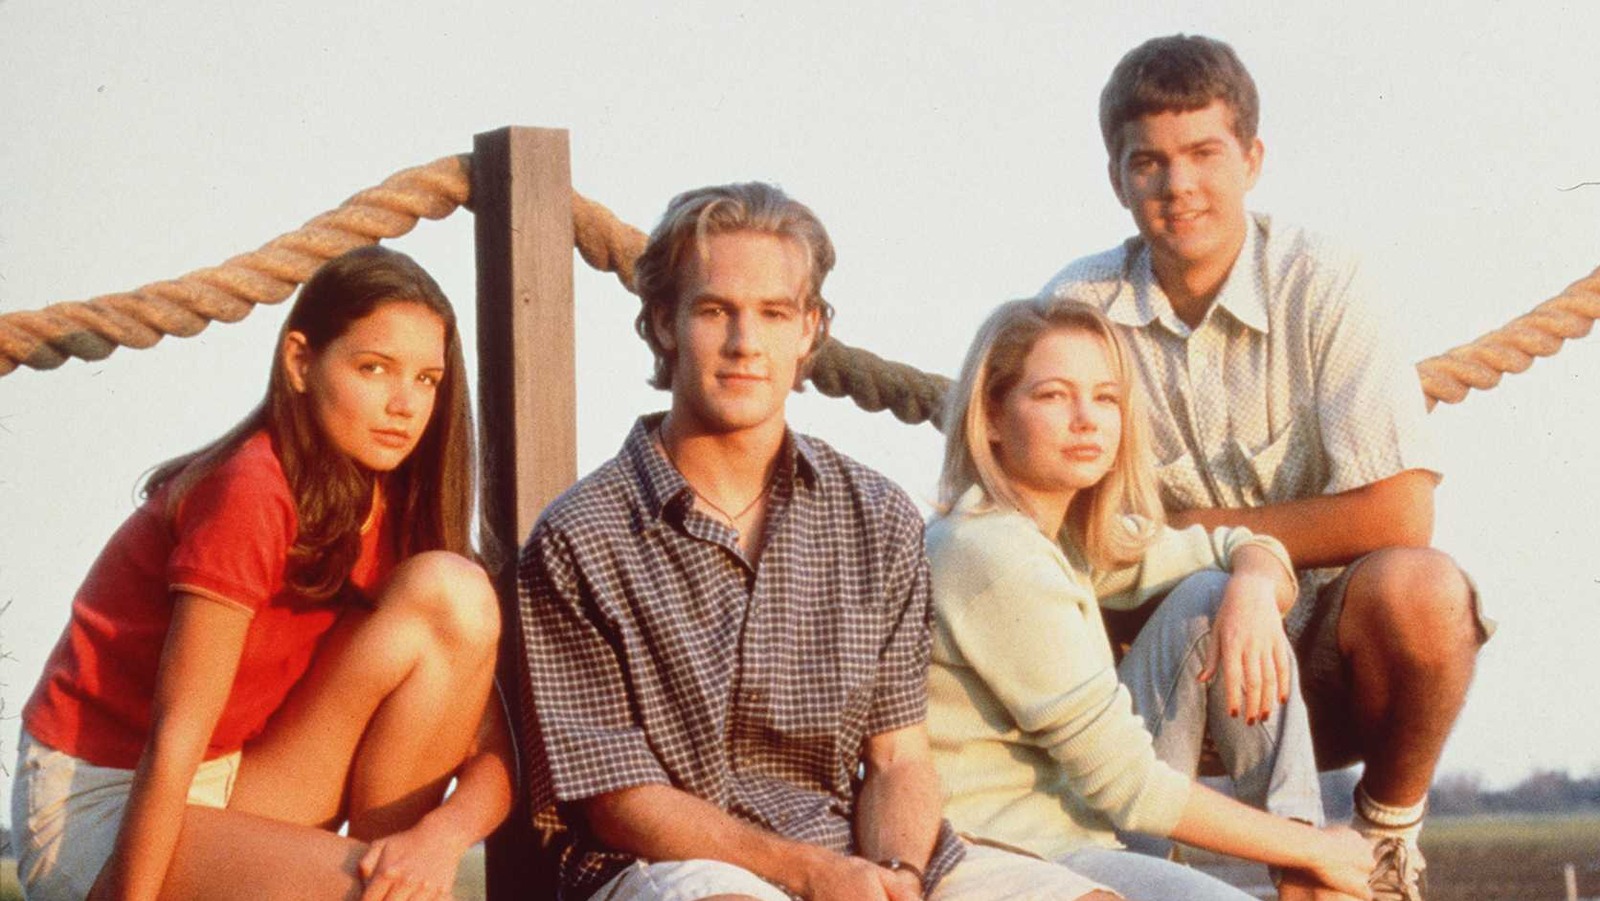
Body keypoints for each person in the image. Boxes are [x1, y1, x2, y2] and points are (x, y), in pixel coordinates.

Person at [516, 183, 1116, 901]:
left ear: (810, 330)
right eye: (715, 310)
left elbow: (898, 760)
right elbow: (617, 800)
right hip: (671, 866)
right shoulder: (580, 535)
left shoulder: (876, 516)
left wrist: (898, 876)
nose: (745, 343)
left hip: (853, 849)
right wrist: (811, 874)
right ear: (664, 323)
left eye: (774, 313)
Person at [1038, 35, 1492, 900]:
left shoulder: (1322, 282)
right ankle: (1120, 861)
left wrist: (1216, 545)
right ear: (1117, 179)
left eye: (1204, 153)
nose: (1178, 186)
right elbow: (1048, 523)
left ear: (1251, 158)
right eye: (1149, 162)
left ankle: (1382, 838)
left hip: (1323, 662)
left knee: (1429, 593)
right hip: (1163, 662)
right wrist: (1213, 572)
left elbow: (1401, 513)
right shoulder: (1077, 309)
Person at [13, 245, 515, 901]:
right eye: (374, 368)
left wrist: (436, 841)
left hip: (236, 778)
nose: (404, 403)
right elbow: (174, 738)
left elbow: (495, 755)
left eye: (426, 379)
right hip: (109, 796)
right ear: (300, 362)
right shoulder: (251, 489)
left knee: (456, 594)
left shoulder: (398, 513)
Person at [927, 297, 1376, 901]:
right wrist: (1318, 849)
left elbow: (1238, 545)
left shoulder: (1065, 537)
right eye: (1053, 396)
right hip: (1017, 856)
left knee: (1214, 595)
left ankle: (1305, 878)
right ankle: (1311, 860)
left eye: (1106, 398)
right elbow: (1129, 785)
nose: (1086, 419)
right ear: (990, 419)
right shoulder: (992, 552)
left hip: (1084, 830)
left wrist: (1252, 589)